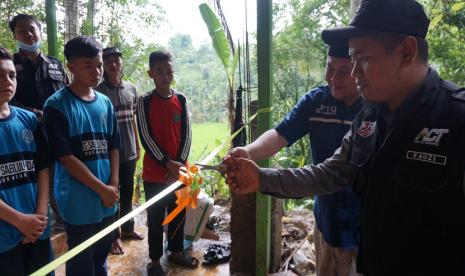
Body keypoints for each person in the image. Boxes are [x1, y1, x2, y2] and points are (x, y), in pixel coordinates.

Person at [223, 0, 465, 275]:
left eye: (362, 58)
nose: (352, 73)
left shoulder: (455, 120)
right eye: (352, 60)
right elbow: (329, 174)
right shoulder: (369, 117)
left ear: (406, 51)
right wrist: (261, 178)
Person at [229, 44, 361, 276]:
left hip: (364, 222)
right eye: (329, 68)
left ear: (360, 69)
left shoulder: (375, 108)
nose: (334, 78)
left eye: (343, 70)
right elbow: (281, 134)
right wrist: (248, 152)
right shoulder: (316, 101)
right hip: (327, 216)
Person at [43, 36, 120, 276]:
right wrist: (101, 189)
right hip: (78, 201)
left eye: (99, 65)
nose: (97, 72)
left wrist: (114, 184)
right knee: (81, 260)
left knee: (101, 253)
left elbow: (114, 146)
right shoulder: (56, 106)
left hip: (107, 197)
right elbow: (65, 157)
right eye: (88, 66)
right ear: (71, 67)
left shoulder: (105, 103)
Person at [137, 50, 197, 276]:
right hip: (155, 173)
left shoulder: (180, 99)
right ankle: (154, 260)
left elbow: (187, 135)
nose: (165, 76)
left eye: (169, 71)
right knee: (155, 217)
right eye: (160, 72)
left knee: (178, 212)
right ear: (150, 73)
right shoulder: (144, 101)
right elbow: (146, 137)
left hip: (180, 171)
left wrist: (179, 165)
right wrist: (168, 164)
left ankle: (175, 251)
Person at [9, 13, 68, 232]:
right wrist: (33, 113)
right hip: (24, 133)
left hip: (57, 132)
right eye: (21, 30)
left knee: (58, 173)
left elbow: (67, 94)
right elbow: (8, 99)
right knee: (34, 176)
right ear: (15, 35)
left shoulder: (55, 65)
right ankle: (35, 220)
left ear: (40, 31)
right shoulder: (10, 66)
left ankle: (62, 220)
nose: (28, 33)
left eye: (32, 28)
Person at [0, 47, 52, 275]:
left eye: (11, 75)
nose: (7, 81)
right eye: (0, 75)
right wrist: (20, 221)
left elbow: (42, 168)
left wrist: (40, 216)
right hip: (4, 237)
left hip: (38, 229)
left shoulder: (29, 120)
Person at [97, 46, 143, 256]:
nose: (114, 65)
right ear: (104, 65)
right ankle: (113, 237)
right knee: (112, 194)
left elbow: (133, 119)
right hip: (109, 154)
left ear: (121, 63)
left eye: (117, 61)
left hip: (130, 151)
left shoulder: (131, 89)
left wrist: (138, 145)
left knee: (126, 193)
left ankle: (128, 229)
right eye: (109, 62)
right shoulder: (98, 91)